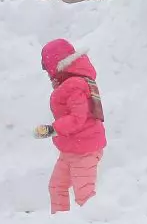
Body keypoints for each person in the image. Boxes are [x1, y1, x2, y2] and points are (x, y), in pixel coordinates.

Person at [33, 39, 106, 214]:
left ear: (56, 64)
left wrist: (53, 129)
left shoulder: (75, 85)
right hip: (71, 149)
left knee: (84, 195)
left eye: (47, 67)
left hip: (85, 149)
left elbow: (78, 118)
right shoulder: (70, 84)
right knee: (57, 187)